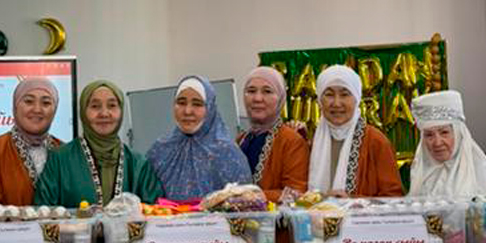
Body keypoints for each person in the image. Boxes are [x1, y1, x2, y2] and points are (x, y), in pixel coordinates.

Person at [34, 80, 162, 206]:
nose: (104, 114)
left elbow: (155, 212)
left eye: (112, 105)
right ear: (83, 112)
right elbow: (43, 211)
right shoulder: (59, 160)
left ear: (121, 110)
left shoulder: (138, 164)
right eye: (95, 106)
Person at [146, 76, 250, 201]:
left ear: (210, 108)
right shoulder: (160, 151)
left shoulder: (228, 154)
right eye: (181, 103)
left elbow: (245, 205)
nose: (187, 111)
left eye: (197, 104)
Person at [308, 65, 403, 197]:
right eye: (329, 95)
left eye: (344, 95)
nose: (336, 103)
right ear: (319, 100)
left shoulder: (376, 141)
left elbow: (393, 196)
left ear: (357, 98)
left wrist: (352, 201)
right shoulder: (311, 141)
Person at [0, 77, 64, 208]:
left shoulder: (65, 152)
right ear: (15, 106)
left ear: (55, 110)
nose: (37, 109)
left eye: (46, 103)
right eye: (29, 101)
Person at [407, 90, 486, 199]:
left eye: (444, 133)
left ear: (458, 134)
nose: (437, 143)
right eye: (429, 135)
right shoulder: (419, 171)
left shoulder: (479, 170)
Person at [236, 65, 309, 202]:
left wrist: (251, 197)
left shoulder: (291, 141)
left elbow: (296, 193)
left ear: (280, 98)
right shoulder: (241, 139)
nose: (257, 98)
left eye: (267, 91)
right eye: (251, 91)